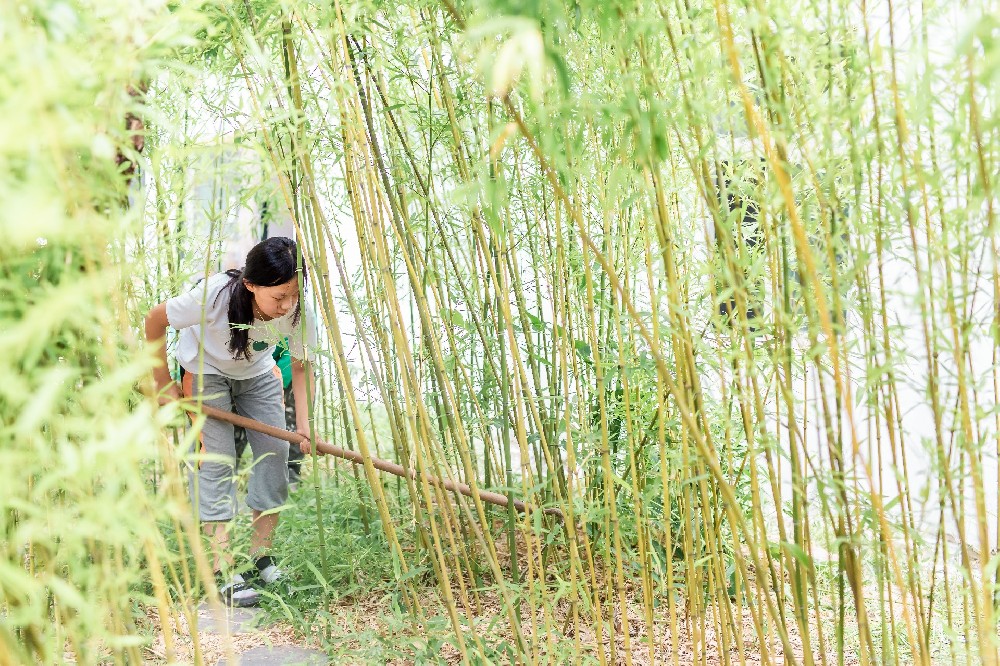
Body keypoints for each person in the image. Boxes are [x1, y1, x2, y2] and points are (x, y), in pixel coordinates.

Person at [145, 237, 317, 607]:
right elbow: (154, 320)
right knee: (216, 460)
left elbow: (301, 367)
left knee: (275, 455)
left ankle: (262, 559)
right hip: (205, 371)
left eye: (293, 295)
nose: (286, 306)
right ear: (251, 284)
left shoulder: (299, 310)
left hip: (257, 373)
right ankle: (223, 569)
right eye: (278, 297)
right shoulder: (213, 296)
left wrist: (303, 425)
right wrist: (162, 382)